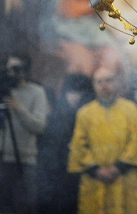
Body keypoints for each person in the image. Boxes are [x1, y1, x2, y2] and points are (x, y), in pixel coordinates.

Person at [0, 52, 50, 214]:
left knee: (24, 206)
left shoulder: (36, 92)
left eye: (16, 68)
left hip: (24, 161)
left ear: (25, 71)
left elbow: (39, 127)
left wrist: (18, 108)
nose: (10, 72)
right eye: (8, 68)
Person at [67, 67, 137, 214]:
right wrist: (96, 170)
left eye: (108, 81)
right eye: (99, 82)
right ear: (94, 85)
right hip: (95, 179)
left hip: (124, 178)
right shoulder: (84, 113)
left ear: (116, 83)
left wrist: (118, 167)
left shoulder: (131, 110)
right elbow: (78, 146)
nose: (104, 85)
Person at [37, 73, 94, 214]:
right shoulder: (57, 114)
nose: (74, 97)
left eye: (79, 92)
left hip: (82, 173)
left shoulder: (91, 115)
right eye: (71, 92)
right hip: (57, 175)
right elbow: (48, 150)